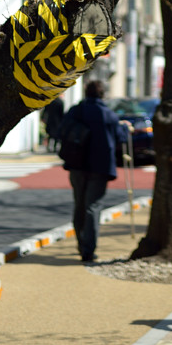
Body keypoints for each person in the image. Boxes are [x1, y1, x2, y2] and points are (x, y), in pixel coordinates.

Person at [60, 80, 130, 263]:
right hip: (100, 166)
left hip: (77, 164)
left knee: (79, 205)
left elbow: (62, 130)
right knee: (93, 207)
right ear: (102, 94)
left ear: (86, 93)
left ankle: (80, 243)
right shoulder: (108, 115)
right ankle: (88, 250)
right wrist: (124, 128)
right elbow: (120, 138)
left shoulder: (76, 111)